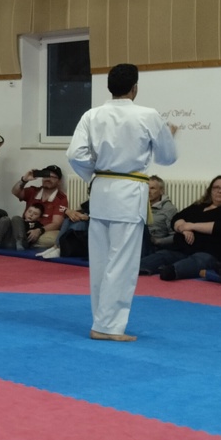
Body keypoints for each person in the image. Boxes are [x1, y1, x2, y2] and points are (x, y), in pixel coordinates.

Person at [66, 63, 177, 341]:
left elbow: (75, 155)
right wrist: (168, 137)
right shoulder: (148, 115)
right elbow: (167, 157)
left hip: (101, 191)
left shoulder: (92, 115)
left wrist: (96, 172)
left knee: (101, 262)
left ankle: (100, 321)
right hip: (128, 193)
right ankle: (108, 326)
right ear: (134, 88)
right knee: (122, 264)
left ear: (109, 87)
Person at [139, 176, 221, 280]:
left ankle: (172, 271)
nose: (220, 191)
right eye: (216, 187)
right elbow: (177, 218)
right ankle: (138, 268)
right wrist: (184, 229)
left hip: (213, 254)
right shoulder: (199, 206)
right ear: (210, 190)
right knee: (163, 255)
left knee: (200, 260)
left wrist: (191, 226)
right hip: (182, 249)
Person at [143, 175, 178, 255]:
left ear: (161, 191)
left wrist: (158, 241)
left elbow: (176, 236)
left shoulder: (168, 209)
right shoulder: (139, 206)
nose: (148, 191)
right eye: (146, 188)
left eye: (152, 188)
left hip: (156, 246)